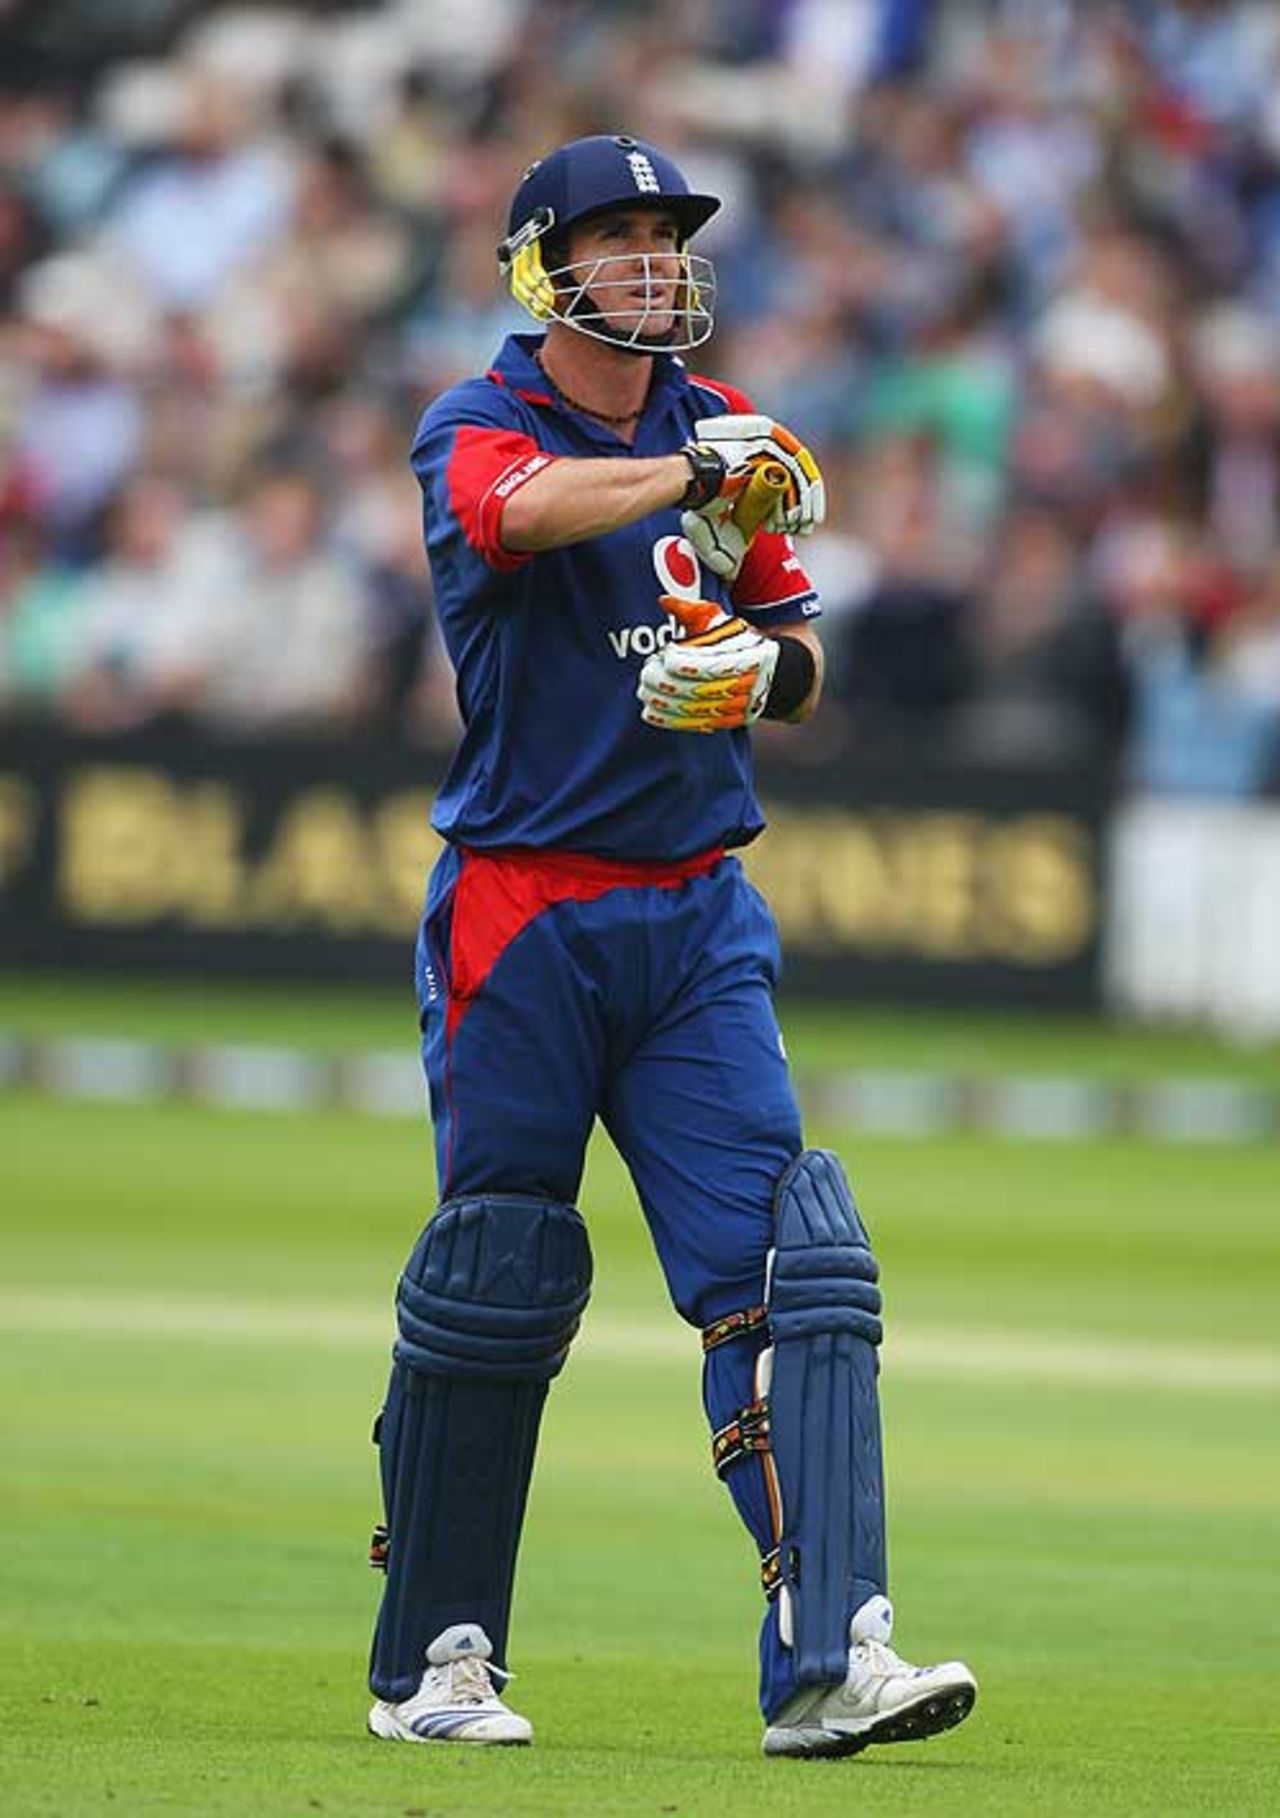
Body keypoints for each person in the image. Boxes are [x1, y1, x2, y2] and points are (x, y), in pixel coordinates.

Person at [366, 132, 977, 1759]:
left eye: (667, 234)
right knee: (501, 1273)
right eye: (617, 235)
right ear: (538, 267)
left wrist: (756, 682)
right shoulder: (482, 421)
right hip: (525, 907)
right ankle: (438, 1655)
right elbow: (521, 516)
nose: (653, 259)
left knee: (791, 1268)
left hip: (699, 908)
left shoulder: (721, 423)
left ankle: (833, 1653)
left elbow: (802, 654)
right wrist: (697, 480)